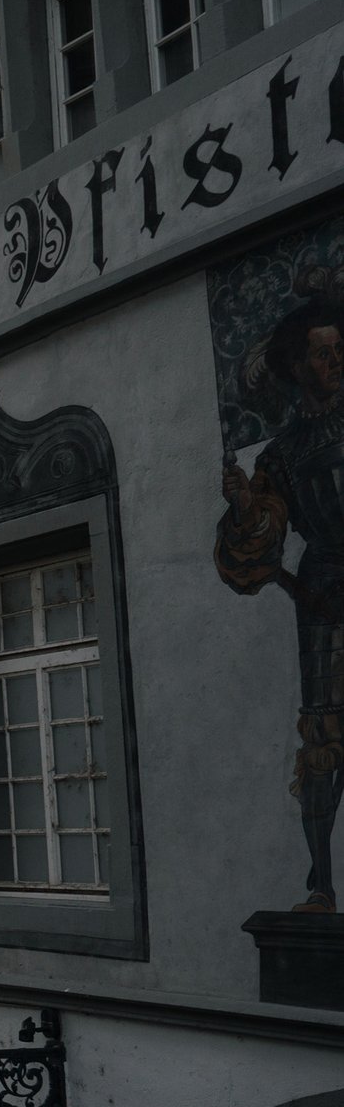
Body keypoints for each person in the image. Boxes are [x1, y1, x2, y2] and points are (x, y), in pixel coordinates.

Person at [220, 293, 344, 912]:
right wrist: (245, 508)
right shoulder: (284, 450)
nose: (334, 361)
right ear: (297, 367)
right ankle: (321, 883)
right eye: (321, 354)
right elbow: (263, 533)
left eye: (338, 349)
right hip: (322, 590)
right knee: (323, 741)